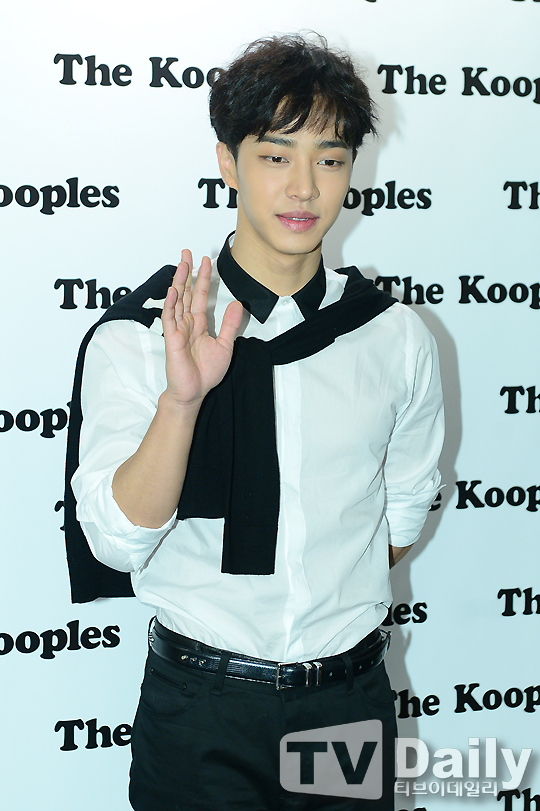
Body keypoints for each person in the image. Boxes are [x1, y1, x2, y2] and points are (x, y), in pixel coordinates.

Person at [66, 34, 444, 811]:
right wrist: (182, 403)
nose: (304, 187)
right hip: (200, 709)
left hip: (346, 705)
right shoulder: (143, 334)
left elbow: (402, 511)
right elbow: (116, 542)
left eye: (329, 159)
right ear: (228, 163)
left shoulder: (394, 335)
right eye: (275, 156)